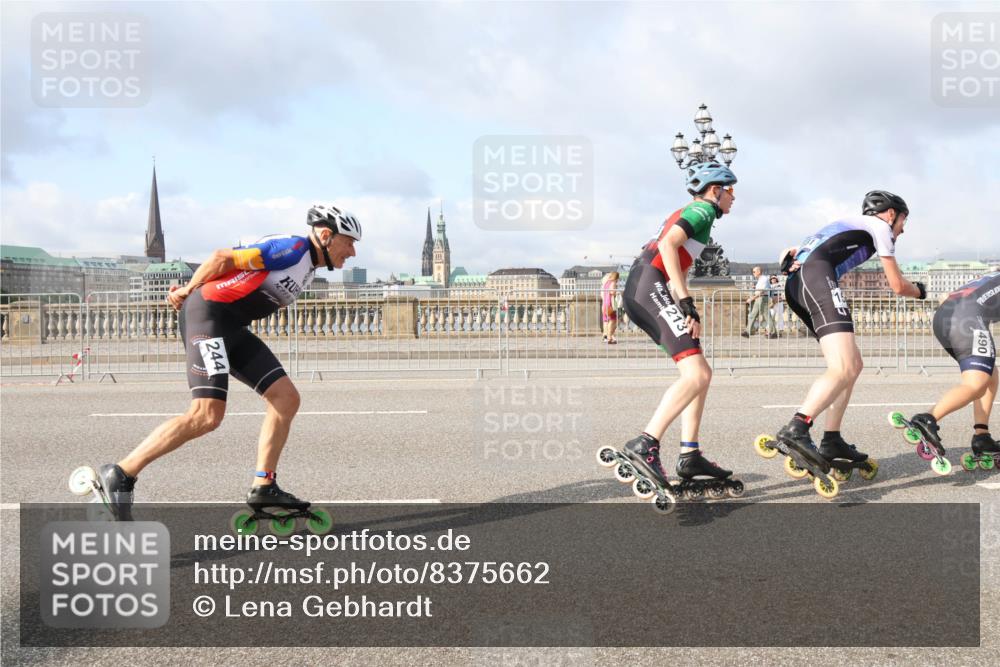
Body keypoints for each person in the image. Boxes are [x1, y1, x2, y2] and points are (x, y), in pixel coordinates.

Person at [88, 204, 362, 518]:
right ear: (326, 236)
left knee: (286, 398)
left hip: (231, 327)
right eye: (349, 242)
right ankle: (121, 473)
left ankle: (264, 486)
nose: (352, 252)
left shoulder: (308, 266)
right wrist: (188, 290)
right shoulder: (293, 249)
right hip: (208, 318)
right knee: (206, 415)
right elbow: (222, 258)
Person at [773, 190, 926, 478]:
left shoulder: (847, 224)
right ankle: (797, 428)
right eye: (903, 221)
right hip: (817, 279)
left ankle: (832, 439)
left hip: (799, 283)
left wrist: (787, 261)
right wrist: (920, 291)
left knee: (852, 365)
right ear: (891, 214)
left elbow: (789, 252)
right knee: (843, 367)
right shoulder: (881, 227)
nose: (903, 229)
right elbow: (897, 285)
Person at [617, 161, 741, 494]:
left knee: (700, 373)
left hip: (648, 286)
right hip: (648, 285)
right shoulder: (703, 210)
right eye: (730, 190)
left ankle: (690, 454)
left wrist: (684, 308)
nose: (733, 197)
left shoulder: (695, 214)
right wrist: (685, 302)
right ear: (715, 190)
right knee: (696, 374)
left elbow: (678, 265)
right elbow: (668, 246)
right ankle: (645, 443)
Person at [905, 272, 1000, 468]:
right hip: (968, 318)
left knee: (989, 374)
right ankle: (927, 419)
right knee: (976, 383)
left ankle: (982, 436)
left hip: (947, 314)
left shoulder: (993, 276)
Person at [742, 266, 778, 339]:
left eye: (754, 272)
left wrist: (752, 298)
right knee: (754, 315)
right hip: (760, 298)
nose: (753, 273)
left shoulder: (764, 279)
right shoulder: (761, 279)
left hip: (762, 299)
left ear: (759, 272)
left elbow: (762, 291)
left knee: (765, 316)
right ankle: (748, 331)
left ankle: (773, 332)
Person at [601, 271, 620, 344]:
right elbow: (612, 292)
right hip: (610, 304)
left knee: (606, 320)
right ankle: (609, 337)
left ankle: (605, 336)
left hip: (604, 304)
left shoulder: (606, 283)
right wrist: (618, 292)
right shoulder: (613, 283)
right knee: (612, 320)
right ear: (616, 277)